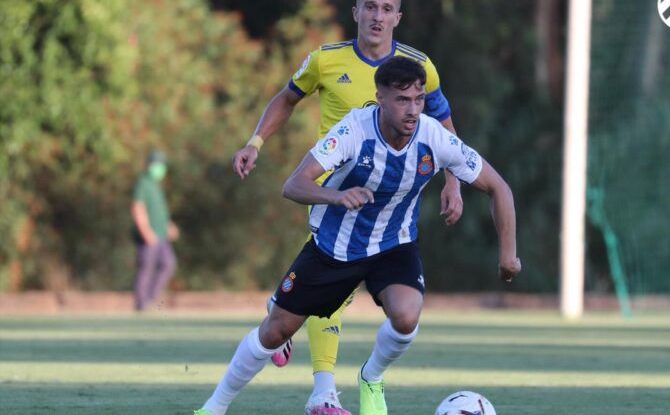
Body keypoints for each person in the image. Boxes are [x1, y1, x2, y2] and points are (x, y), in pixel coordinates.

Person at [197, 57, 521, 415]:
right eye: (402, 100)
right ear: (380, 97)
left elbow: (499, 188)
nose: (412, 110)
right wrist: (336, 196)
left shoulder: (435, 137)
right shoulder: (353, 131)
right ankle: (213, 408)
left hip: (393, 244)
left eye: (418, 99)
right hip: (333, 248)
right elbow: (294, 185)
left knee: (407, 315)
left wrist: (508, 255)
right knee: (275, 331)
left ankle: (371, 377)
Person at [231, 0, 463, 412]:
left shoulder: (419, 68)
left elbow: (444, 124)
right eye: (370, 6)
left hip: (391, 199)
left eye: (387, 8)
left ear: (398, 16)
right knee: (335, 287)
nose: (377, 16)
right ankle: (323, 394)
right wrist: (255, 142)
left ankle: (284, 315)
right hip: (333, 192)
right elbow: (286, 98)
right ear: (356, 11)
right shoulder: (326, 59)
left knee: (350, 293)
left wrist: (453, 182)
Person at [131, 151, 179, 311]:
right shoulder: (143, 184)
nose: (160, 169)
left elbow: (159, 212)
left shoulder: (155, 186)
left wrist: (168, 226)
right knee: (146, 268)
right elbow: (138, 208)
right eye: (156, 164)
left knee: (168, 264)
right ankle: (141, 303)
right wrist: (146, 231)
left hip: (162, 235)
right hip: (149, 236)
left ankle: (151, 299)